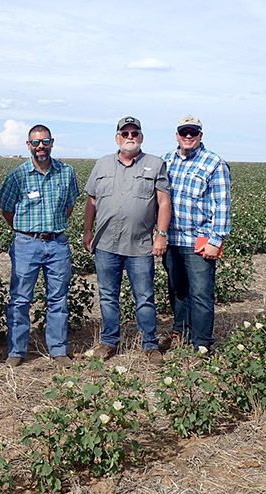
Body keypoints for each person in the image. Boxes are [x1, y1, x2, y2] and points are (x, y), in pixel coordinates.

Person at [83, 116, 171, 364]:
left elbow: (164, 202)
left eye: (134, 133)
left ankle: (149, 344)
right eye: (125, 133)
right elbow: (91, 201)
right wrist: (87, 232)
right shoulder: (102, 164)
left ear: (141, 137)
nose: (129, 137)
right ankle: (109, 341)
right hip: (106, 244)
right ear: (117, 138)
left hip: (140, 244)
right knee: (108, 295)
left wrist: (160, 235)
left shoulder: (155, 164)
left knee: (144, 296)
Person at [0, 125, 79, 368]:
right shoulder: (17, 176)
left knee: (58, 298)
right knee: (20, 299)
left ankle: (58, 350)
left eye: (44, 141)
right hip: (26, 244)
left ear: (52, 142)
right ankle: (16, 351)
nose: (40, 146)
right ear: (28, 145)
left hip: (57, 243)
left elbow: (69, 206)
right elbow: (6, 209)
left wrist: (51, 227)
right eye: (35, 142)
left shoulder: (66, 172)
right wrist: (28, 232)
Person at [161, 115, 231, 352]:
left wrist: (216, 239)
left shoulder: (214, 163)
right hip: (171, 238)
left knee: (201, 293)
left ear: (201, 135)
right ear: (177, 135)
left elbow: (221, 204)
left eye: (193, 132)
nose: (188, 136)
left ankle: (201, 344)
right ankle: (181, 332)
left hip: (199, 240)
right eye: (184, 132)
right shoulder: (167, 160)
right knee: (178, 289)